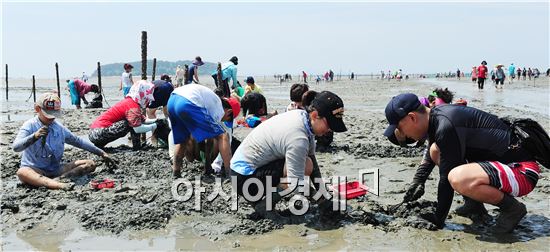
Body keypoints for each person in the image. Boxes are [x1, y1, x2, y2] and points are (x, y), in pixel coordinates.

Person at [383, 93, 546, 233]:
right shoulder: (437, 117)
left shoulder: (446, 125)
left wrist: (438, 220)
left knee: (456, 177)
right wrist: (418, 181)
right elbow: (432, 153)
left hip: (521, 172)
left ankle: (512, 209)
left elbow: (446, 178)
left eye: (400, 129)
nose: (403, 134)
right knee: (435, 150)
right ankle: (474, 205)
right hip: (502, 168)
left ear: (412, 118)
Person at [230, 91, 347, 217]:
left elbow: (313, 160)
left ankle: (263, 201)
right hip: (246, 181)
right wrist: (320, 200)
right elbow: (295, 183)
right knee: (305, 166)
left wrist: (323, 194)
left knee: (308, 163)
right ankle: (264, 206)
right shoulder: (298, 138)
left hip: (245, 173)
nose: (330, 130)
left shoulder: (302, 117)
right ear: (314, 115)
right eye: (329, 125)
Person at [13, 93, 116, 190]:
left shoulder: (59, 128)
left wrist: (101, 153)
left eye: (54, 114)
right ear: (37, 109)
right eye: (48, 114)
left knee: (90, 164)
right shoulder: (30, 125)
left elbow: (78, 141)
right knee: (22, 172)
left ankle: (59, 180)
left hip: (55, 169)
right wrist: (34, 136)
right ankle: (59, 185)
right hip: (36, 169)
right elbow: (16, 147)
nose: (51, 118)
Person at [167, 84, 234, 177]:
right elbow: (211, 137)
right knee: (223, 135)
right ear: (228, 111)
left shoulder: (208, 100)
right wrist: (208, 163)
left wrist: (208, 165)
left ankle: (176, 172)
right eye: (226, 119)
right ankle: (230, 174)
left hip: (172, 100)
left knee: (183, 139)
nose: (223, 121)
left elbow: (209, 136)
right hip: (187, 102)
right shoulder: (218, 106)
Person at [89, 80, 159, 150]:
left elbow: (144, 120)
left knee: (136, 121)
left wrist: (157, 121)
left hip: (94, 132)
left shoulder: (130, 101)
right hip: (97, 133)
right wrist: (155, 126)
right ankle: (137, 146)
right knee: (131, 124)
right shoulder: (132, 106)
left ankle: (137, 146)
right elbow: (137, 129)